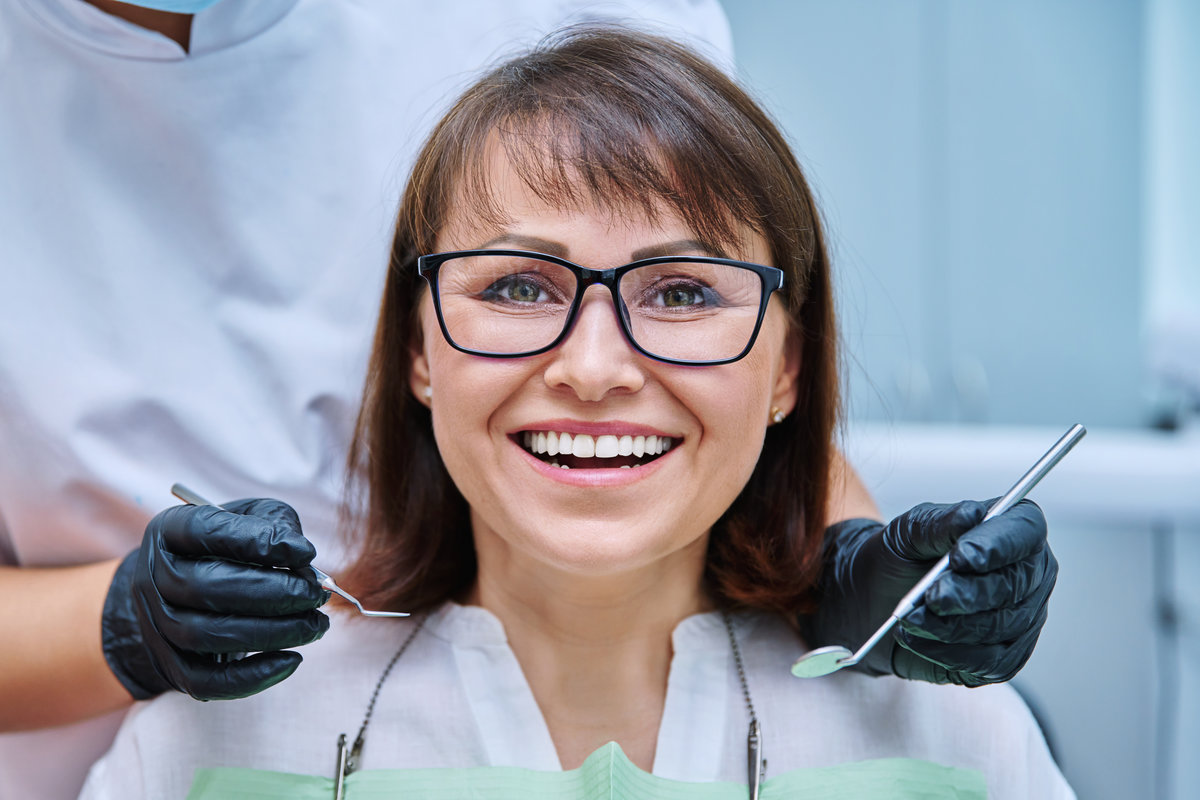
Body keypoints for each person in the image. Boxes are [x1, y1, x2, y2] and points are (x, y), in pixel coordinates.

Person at [79, 26, 1072, 798]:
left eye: (683, 291)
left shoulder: (950, 738)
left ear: (789, 368)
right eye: (516, 287)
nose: (593, 367)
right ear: (419, 350)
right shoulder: (214, 736)